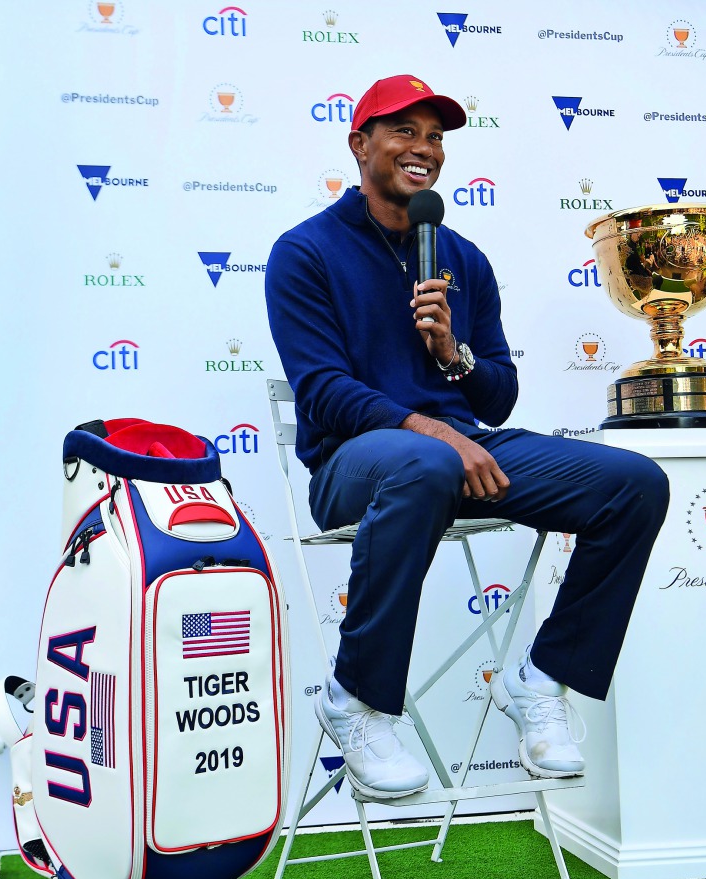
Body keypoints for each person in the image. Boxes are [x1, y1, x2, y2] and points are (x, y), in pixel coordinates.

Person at [265, 75, 669, 799]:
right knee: (422, 461)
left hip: (460, 452)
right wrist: (432, 432)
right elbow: (322, 391)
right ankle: (354, 700)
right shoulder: (305, 252)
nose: (423, 149)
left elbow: (500, 397)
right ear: (359, 145)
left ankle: (541, 681)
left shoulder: (463, 258)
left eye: (436, 136)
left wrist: (455, 354)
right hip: (355, 464)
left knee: (634, 484)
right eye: (404, 131)